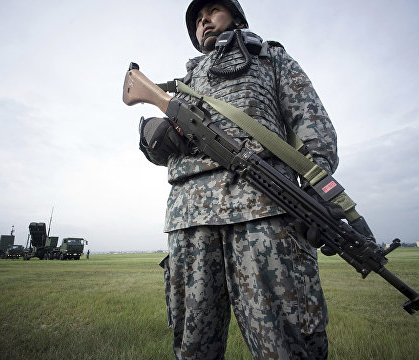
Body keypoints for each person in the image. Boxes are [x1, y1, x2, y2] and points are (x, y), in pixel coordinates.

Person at [138, 1, 338, 358]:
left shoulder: (270, 58)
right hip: (190, 218)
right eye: (197, 20)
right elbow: (160, 149)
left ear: (237, 16)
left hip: (264, 211)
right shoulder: (184, 84)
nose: (203, 21)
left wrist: (317, 192)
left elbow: (312, 124)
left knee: (286, 345)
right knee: (193, 345)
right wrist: (153, 135)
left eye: (212, 11)